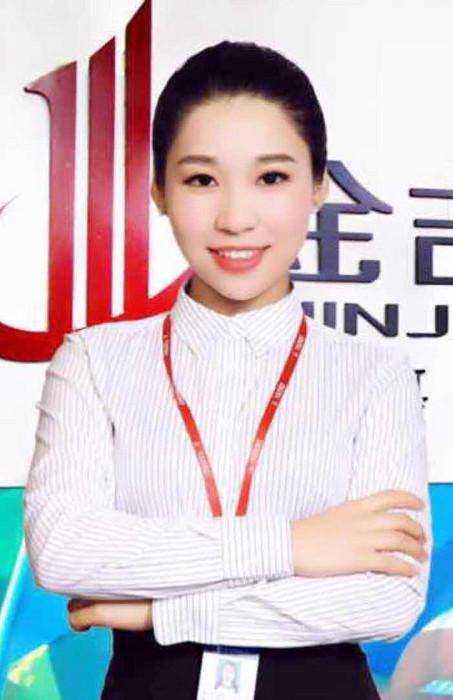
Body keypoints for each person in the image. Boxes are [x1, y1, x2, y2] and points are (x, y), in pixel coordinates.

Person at [23, 40, 432, 699]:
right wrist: (294, 544)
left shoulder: (374, 373)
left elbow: (387, 600)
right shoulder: (94, 360)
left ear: (319, 186)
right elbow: (64, 550)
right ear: (158, 190)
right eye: (201, 180)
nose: (236, 218)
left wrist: (163, 612)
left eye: (271, 178)